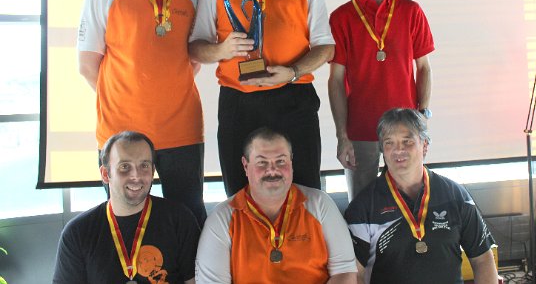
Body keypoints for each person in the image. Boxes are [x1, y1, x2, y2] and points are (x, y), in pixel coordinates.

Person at [189, 0, 334, 196]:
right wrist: (221, 51)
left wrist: (293, 72)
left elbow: (325, 47)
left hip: (294, 97)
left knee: (305, 189)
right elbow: (195, 47)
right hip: (238, 101)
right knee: (239, 192)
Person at [77, 0, 206, 225]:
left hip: (181, 130)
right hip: (122, 133)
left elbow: (192, 60)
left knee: (188, 219)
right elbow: (88, 65)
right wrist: (129, 100)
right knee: (126, 221)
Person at [328, 0, 435, 201]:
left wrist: (422, 118)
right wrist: (342, 135)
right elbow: (336, 79)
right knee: (361, 203)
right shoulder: (341, 17)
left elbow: (423, 67)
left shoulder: (411, 11)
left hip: (404, 128)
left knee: (409, 199)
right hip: (360, 129)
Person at [344, 109, 498, 284]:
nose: (398, 150)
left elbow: (483, 259)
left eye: (407, 141)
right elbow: (355, 274)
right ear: (383, 150)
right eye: (389, 143)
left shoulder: (456, 196)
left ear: (424, 145)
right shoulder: (362, 207)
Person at [195, 127, 357, 284]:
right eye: (262, 162)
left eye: (280, 161)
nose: (272, 170)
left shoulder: (320, 204)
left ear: (291, 161)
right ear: (245, 165)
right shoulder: (221, 219)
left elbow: (345, 273)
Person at [53, 131, 201, 284]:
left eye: (144, 165)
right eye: (124, 166)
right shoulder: (78, 232)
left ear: (152, 171)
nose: (136, 176)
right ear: (105, 174)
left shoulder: (180, 220)